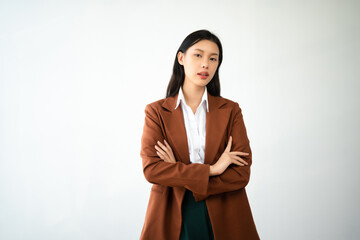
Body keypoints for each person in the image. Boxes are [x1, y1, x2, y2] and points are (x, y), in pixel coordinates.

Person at [140, 29, 260, 240]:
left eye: (213, 59)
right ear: (181, 58)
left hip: (226, 213)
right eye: (198, 55)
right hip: (172, 212)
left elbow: (241, 174)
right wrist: (212, 170)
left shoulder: (231, 110)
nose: (206, 64)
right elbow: (152, 170)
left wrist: (177, 170)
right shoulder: (157, 112)